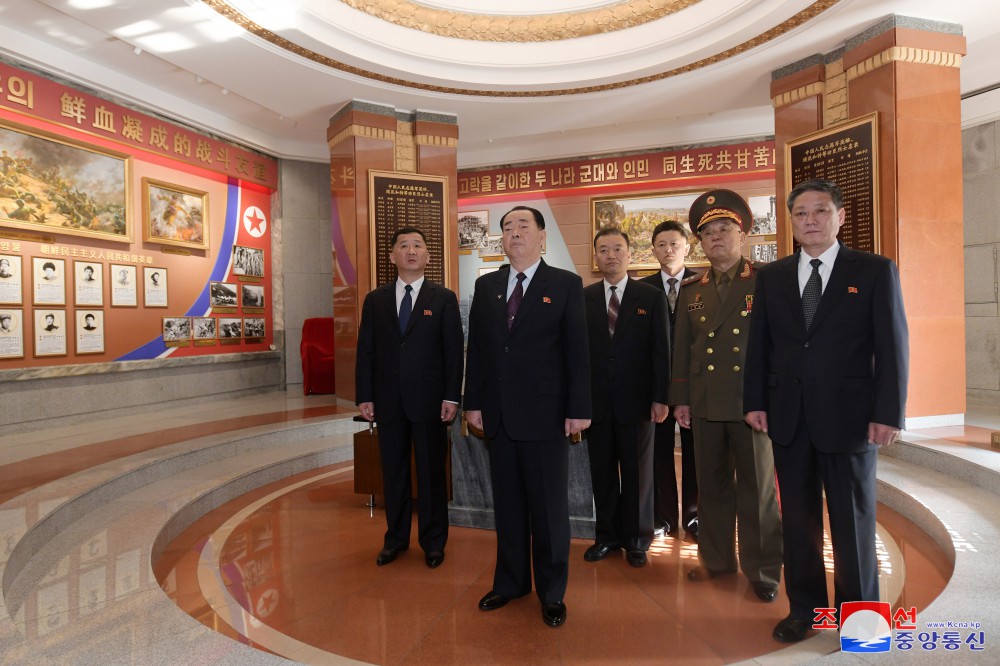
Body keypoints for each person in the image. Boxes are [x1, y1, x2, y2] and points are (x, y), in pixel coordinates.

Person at [744, 179, 909, 643]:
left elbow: (893, 347)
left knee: (853, 525)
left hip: (851, 418)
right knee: (797, 522)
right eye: (800, 213)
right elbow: (761, 346)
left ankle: (861, 621)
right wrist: (754, 401)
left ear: (840, 216)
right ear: (791, 221)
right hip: (788, 417)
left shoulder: (875, 270)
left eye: (820, 211)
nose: (810, 220)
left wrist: (889, 412)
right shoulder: (773, 276)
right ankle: (806, 612)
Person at [464, 205, 590, 628]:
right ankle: (511, 582)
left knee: (549, 510)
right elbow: (479, 351)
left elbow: (577, 351)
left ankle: (552, 592)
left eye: (523, 225)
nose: (514, 232)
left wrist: (579, 408)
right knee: (509, 505)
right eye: (507, 227)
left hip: (546, 415)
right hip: (497, 416)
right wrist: (473, 402)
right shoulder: (488, 287)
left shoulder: (566, 284)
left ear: (541, 238)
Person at [670, 189, 782, 603]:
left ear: (743, 235)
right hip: (705, 401)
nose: (716, 237)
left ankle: (764, 570)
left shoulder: (766, 279)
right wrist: (680, 397)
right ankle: (716, 560)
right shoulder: (691, 290)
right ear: (700, 242)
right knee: (711, 487)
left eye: (724, 229)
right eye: (708, 232)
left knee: (758, 490)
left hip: (751, 403)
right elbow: (681, 349)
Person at [356, 227, 464, 570]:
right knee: (394, 472)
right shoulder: (376, 300)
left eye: (418, 245)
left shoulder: (443, 298)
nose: (411, 250)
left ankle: (434, 543)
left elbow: (453, 353)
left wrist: (452, 396)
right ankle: (396, 540)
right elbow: (366, 352)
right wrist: (365, 396)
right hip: (388, 401)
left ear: (428, 256)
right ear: (392, 256)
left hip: (431, 402)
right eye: (404, 246)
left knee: (432, 474)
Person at [583, 228, 670, 568]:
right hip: (597, 404)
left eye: (617, 248)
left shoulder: (649, 297)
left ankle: (637, 538)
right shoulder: (584, 297)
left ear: (630, 254)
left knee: (638, 474)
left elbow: (661, 351)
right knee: (602, 473)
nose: (611, 255)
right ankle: (607, 536)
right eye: (603, 249)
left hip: (638, 403)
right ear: (596, 257)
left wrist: (661, 397)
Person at [640, 220, 701, 539]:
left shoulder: (704, 282)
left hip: (695, 386)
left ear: (687, 247)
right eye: (661, 244)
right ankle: (663, 518)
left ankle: (694, 517)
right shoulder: (642, 288)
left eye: (674, 243)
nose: (668, 249)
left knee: (696, 454)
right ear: (653, 250)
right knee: (658, 455)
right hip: (658, 387)